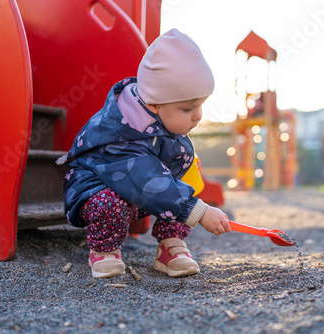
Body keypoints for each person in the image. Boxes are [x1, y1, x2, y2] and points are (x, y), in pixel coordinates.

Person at [60, 29, 231, 279]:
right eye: (188, 108)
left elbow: (163, 181)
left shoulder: (162, 125)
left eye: (200, 105)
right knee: (117, 199)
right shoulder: (119, 132)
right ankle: (104, 250)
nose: (198, 116)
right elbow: (146, 179)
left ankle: (170, 246)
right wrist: (200, 212)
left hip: (143, 192)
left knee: (183, 180)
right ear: (154, 104)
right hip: (95, 190)